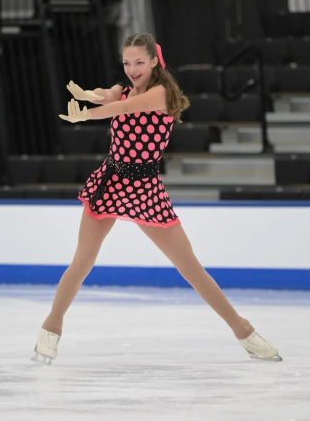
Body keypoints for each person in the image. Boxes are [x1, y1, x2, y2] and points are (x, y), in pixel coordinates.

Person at [32, 33, 282, 365]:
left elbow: (121, 107)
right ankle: (51, 328)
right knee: (82, 261)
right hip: (110, 183)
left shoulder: (159, 94)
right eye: (126, 62)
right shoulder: (126, 89)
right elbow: (111, 95)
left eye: (138, 62)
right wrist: (89, 95)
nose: (132, 69)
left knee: (190, 268)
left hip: (146, 190)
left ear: (153, 62)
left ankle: (244, 330)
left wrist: (86, 115)